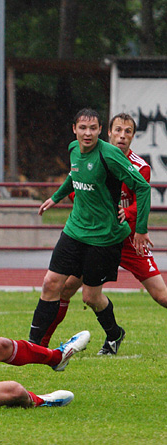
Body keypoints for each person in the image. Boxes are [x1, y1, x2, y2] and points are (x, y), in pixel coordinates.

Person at [28, 108, 152, 356]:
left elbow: (143, 187)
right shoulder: (73, 148)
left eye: (93, 128)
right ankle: (33, 346)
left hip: (104, 238)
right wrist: (55, 197)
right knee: (51, 283)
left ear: (99, 131)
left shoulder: (111, 155)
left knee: (91, 297)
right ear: (74, 128)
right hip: (74, 231)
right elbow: (75, 175)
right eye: (82, 128)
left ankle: (115, 333)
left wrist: (140, 230)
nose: (87, 133)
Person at [57, 113, 167, 352]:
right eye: (118, 130)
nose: (122, 136)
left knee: (161, 296)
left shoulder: (141, 167)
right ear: (108, 132)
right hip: (98, 238)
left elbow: (141, 200)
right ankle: (109, 335)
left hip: (128, 240)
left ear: (133, 136)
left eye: (128, 132)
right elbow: (77, 189)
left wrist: (127, 215)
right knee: (69, 289)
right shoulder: (92, 156)